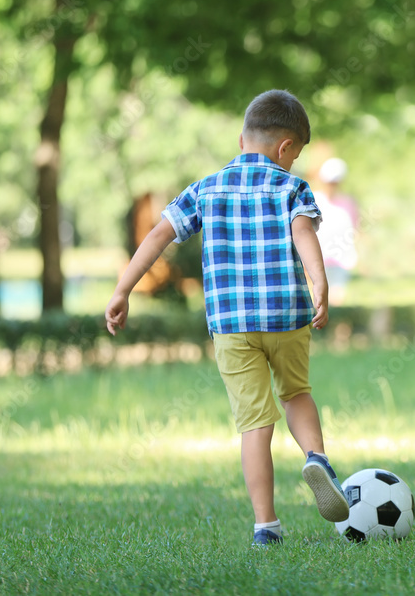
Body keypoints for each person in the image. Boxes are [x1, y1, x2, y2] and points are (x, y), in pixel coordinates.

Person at [104, 90, 349, 546]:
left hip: (232, 326)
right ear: (285, 148)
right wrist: (320, 282)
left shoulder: (206, 188)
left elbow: (160, 234)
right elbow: (302, 232)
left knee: (255, 423)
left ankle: (266, 526)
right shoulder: (289, 186)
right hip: (286, 316)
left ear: (242, 139)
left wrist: (123, 289)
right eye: (297, 153)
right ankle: (316, 457)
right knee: (296, 393)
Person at [312, 157, 359, 306]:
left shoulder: (348, 203)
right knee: (318, 301)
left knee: (337, 300)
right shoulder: (314, 200)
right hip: (317, 260)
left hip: (340, 261)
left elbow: (355, 229)